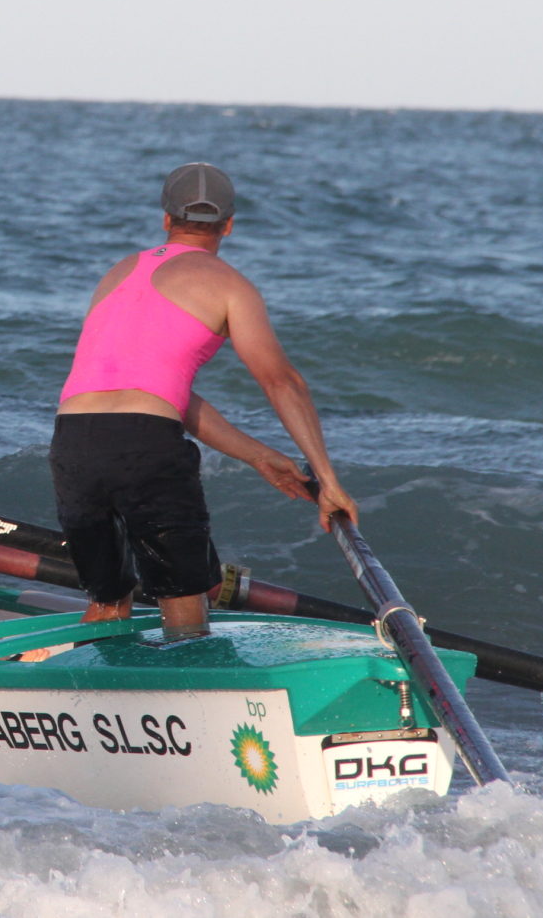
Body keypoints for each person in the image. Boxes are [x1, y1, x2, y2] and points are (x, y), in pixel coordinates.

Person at [52, 163, 359, 640]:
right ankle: (188, 676)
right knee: (183, 601)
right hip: (145, 446)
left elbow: (160, 392)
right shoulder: (229, 284)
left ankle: (90, 680)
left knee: (107, 599)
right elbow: (282, 382)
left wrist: (257, 455)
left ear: (166, 219)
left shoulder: (119, 272)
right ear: (228, 225)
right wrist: (330, 480)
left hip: (73, 441)